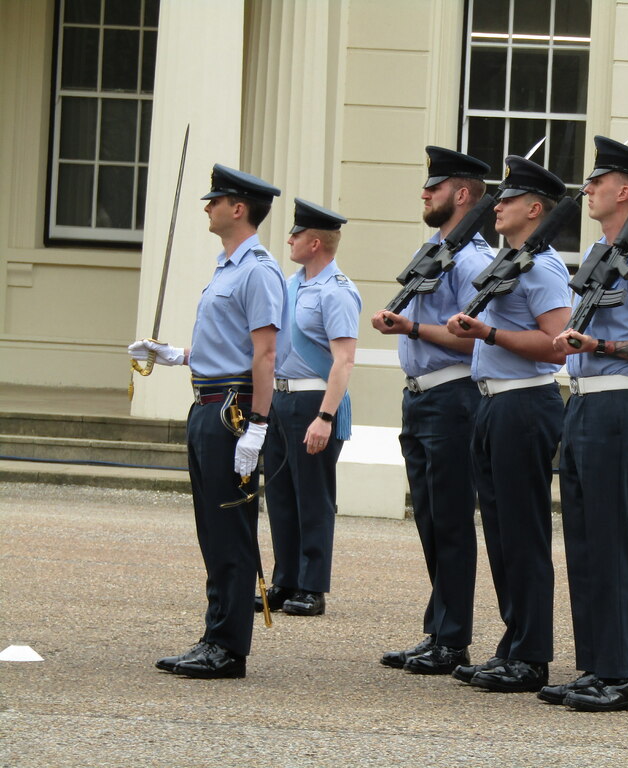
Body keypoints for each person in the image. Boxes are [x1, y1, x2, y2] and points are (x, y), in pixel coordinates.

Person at [538, 136, 628, 712]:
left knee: (612, 540)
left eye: (597, 182)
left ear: (625, 191)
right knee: (584, 542)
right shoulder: (604, 258)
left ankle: (618, 674)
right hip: (584, 403)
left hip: (620, 404)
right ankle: (594, 665)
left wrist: (600, 343)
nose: (587, 189)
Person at [130, 164, 285, 679]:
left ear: (237, 208)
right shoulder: (228, 269)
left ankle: (227, 647)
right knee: (213, 529)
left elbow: (264, 355)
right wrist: (174, 354)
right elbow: (228, 346)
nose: (208, 207)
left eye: (215, 200)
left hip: (233, 409)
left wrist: (258, 426)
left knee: (230, 529)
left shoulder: (258, 270)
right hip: (208, 403)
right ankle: (215, 633)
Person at [445, 155, 571, 693]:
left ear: (535, 209)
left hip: (525, 403)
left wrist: (489, 335)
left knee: (522, 531)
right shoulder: (507, 262)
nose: (497, 205)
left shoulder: (541, 268)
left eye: (509, 199)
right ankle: (513, 643)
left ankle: (531, 654)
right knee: (499, 531)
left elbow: (558, 345)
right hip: (493, 402)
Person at [371, 146, 493, 675]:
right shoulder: (435, 250)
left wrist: (413, 328)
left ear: (462, 194)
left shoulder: (473, 262)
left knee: (450, 520)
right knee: (429, 518)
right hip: (420, 395)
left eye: (436, 186)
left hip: (452, 395)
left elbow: (480, 342)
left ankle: (454, 638)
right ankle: (439, 629)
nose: (424, 193)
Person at [259, 199, 360, 617]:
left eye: (296, 235)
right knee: (281, 495)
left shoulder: (337, 291)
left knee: (313, 498)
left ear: (315, 242)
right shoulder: (289, 284)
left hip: (313, 400)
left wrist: (325, 416)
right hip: (282, 398)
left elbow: (344, 360)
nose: (289, 240)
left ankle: (312, 586)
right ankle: (285, 580)